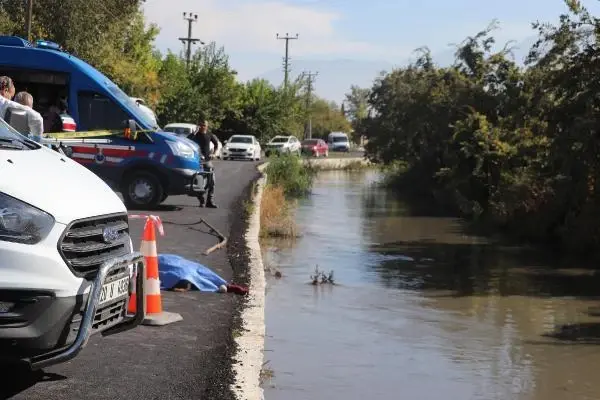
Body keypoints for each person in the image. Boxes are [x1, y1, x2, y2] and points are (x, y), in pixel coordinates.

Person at [187, 118, 219, 208]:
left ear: (207, 126)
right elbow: (187, 141)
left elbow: (216, 144)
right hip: (198, 162)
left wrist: (214, 153)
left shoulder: (209, 135)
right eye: (200, 125)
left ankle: (210, 201)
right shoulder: (195, 135)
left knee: (212, 181)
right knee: (199, 183)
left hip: (207, 161)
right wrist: (194, 132)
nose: (202, 127)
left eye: (204, 125)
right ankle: (202, 200)